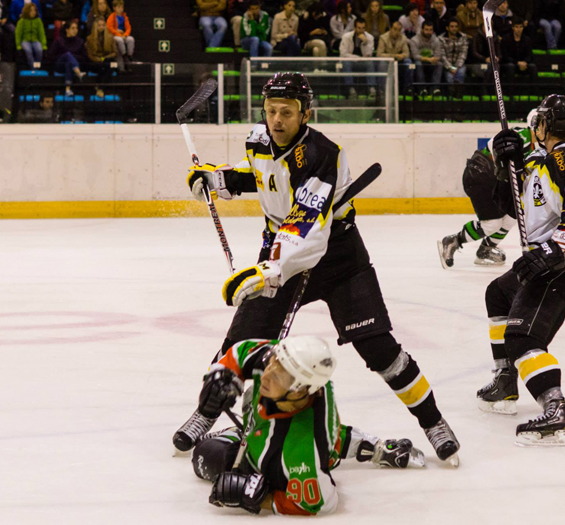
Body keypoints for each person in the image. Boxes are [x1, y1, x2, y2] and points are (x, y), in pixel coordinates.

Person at [174, 73, 460, 465]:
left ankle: (433, 421)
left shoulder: (324, 154)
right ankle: (205, 414)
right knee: (241, 341)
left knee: (379, 349)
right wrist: (217, 178)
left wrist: (266, 271)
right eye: (271, 111)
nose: (277, 120)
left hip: (338, 256)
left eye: (286, 113)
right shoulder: (260, 139)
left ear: (305, 113)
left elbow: (306, 226)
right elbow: (263, 175)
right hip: (281, 250)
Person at [483, 95, 565, 445]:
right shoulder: (539, 162)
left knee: (523, 337)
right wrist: (504, 167)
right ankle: (506, 380)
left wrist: (554, 251)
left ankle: (556, 408)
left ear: (543, 126)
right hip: (556, 255)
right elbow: (510, 208)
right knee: (498, 293)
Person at [191, 336, 426, 516]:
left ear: (301, 390)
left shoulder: (304, 451)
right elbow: (240, 351)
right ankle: (373, 446)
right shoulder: (284, 363)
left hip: (296, 449)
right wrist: (222, 375)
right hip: (298, 423)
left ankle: (362, 447)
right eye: (271, 363)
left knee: (204, 456)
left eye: (278, 376)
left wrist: (260, 497)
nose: (266, 375)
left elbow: (322, 504)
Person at [438, 110, 543, 269]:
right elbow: (494, 148)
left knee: (511, 217)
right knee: (491, 224)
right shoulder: (521, 136)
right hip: (480, 175)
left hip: (493, 178)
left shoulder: (538, 147)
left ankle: (485, 250)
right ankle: (453, 240)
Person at [49, 19, 87, 96]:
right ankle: (78, 73)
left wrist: (71, 57)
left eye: (76, 28)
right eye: (73, 28)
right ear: (67, 30)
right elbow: (51, 56)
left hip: (71, 65)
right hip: (60, 65)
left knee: (69, 62)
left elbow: (84, 57)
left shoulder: (80, 41)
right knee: (67, 55)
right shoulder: (59, 40)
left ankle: (67, 89)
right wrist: (66, 56)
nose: (75, 30)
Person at [340, 17, 375, 97]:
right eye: (359, 28)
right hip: (351, 61)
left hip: (363, 62)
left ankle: (371, 88)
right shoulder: (346, 37)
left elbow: (369, 54)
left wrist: (365, 42)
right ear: (355, 27)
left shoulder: (370, 38)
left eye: (363, 28)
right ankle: (351, 88)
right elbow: (343, 53)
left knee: (370, 62)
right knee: (346, 62)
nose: (361, 30)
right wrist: (357, 58)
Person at [409, 20, 443, 96]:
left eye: (430, 30)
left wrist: (434, 59)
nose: (428, 32)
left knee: (439, 64)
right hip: (419, 62)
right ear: (422, 29)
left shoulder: (436, 40)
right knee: (418, 64)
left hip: (431, 62)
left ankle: (435, 89)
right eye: (426, 29)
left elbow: (438, 54)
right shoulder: (414, 40)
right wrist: (429, 59)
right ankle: (422, 89)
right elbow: (415, 56)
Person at [377, 19, 411, 92]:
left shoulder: (403, 38)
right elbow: (379, 54)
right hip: (387, 60)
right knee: (381, 64)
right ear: (390, 29)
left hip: (399, 61)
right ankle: (382, 89)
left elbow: (407, 53)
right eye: (395, 29)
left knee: (409, 63)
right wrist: (393, 56)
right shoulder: (383, 37)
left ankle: (407, 88)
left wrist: (402, 56)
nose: (396, 32)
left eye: (399, 30)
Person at [86, 16, 115, 97]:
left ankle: (99, 87)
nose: (101, 27)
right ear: (95, 26)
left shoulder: (110, 37)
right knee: (105, 66)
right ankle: (101, 88)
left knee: (113, 64)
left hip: (107, 61)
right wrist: (99, 59)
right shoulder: (89, 39)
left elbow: (114, 53)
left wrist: (104, 58)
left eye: (103, 25)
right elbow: (90, 55)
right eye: (99, 25)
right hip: (95, 62)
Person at [439, 18, 468, 88]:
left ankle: (458, 94)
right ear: (447, 28)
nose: (454, 29)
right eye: (452, 26)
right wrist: (450, 67)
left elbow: (463, 53)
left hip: (459, 64)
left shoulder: (463, 37)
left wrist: (456, 67)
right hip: (446, 65)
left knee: (461, 73)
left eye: (456, 26)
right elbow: (442, 56)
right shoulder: (441, 39)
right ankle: (451, 95)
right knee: (449, 76)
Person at [107, 0, 133, 70]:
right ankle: (124, 54)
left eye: (122, 7)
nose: (120, 9)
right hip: (115, 35)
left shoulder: (125, 17)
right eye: (119, 7)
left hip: (123, 35)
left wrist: (125, 34)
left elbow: (128, 28)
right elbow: (110, 28)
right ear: (114, 8)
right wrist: (118, 34)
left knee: (131, 39)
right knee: (119, 40)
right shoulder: (112, 16)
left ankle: (130, 55)